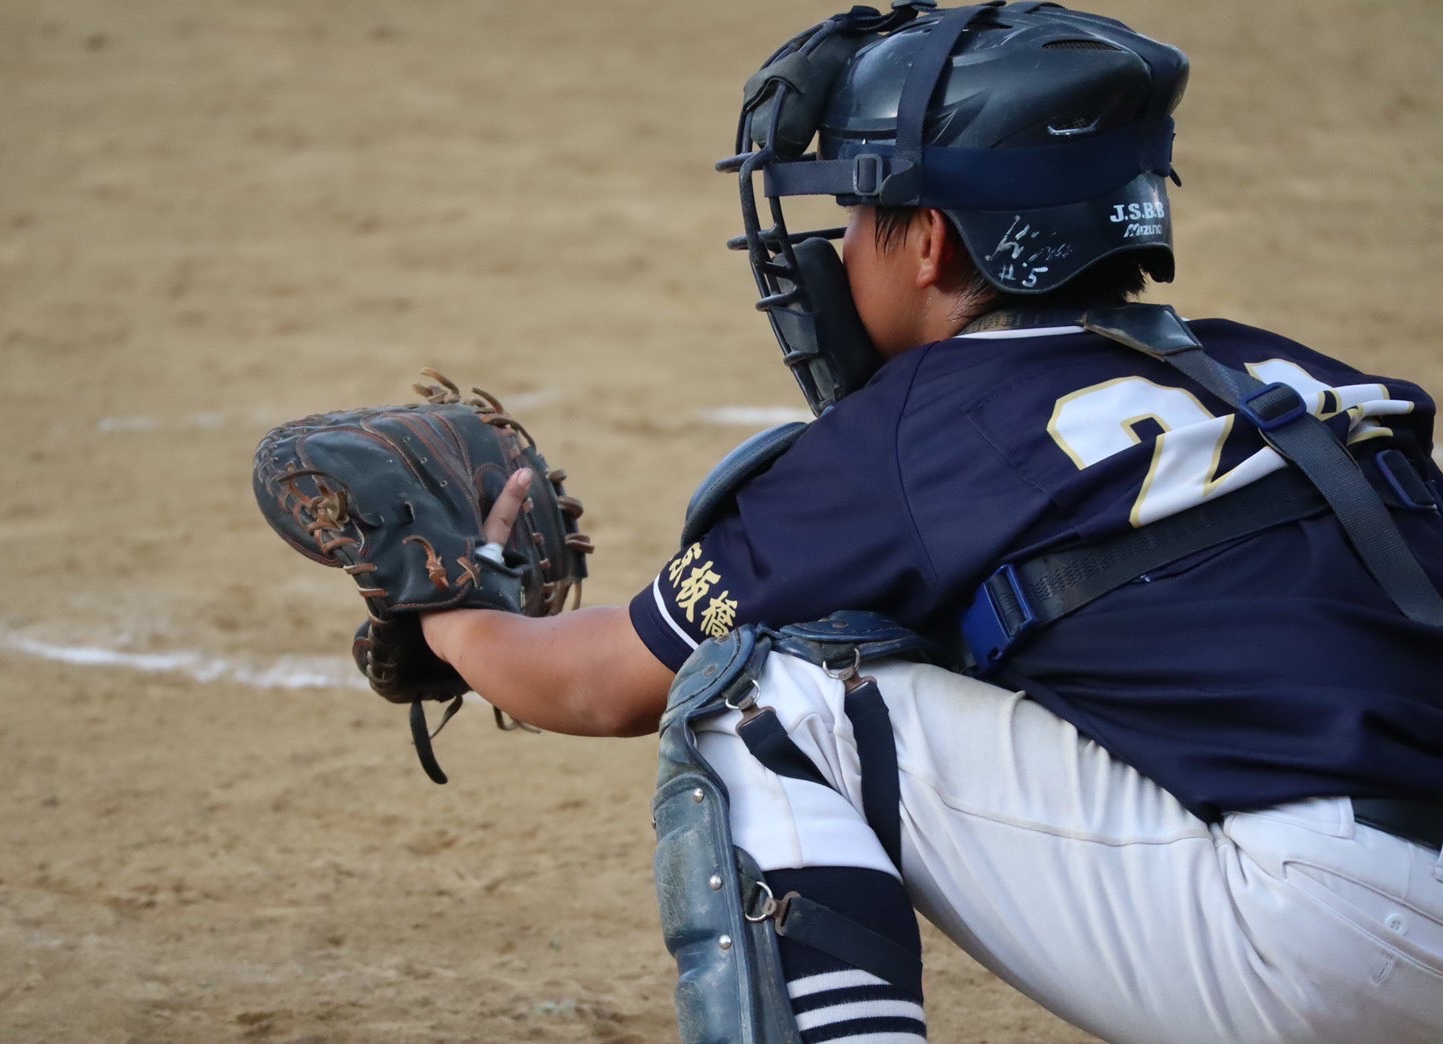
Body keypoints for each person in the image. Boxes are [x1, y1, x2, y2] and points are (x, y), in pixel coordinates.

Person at [421, 3, 1443, 1041]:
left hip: (1338, 946)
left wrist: (447, 610)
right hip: (1382, 881)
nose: (838, 244)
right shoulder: (1294, 373)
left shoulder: (919, 429)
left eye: (859, 211)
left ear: (930, 240)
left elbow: (594, 684)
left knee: (767, 694)